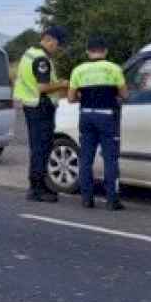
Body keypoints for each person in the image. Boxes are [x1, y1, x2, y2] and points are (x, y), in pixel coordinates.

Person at [68, 36, 129, 210]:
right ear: (105, 51)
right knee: (110, 159)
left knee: (86, 159)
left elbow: (71, 97)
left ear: (88, 51)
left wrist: (84, 96)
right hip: (107, 117)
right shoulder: (113, 69)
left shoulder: (78, 70)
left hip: (86, 116)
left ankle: (87, 199)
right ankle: (112, 200)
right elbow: (125, 95)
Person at [14, 26, 70, 202]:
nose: (58, 49)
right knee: (41, 148)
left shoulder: (30, 53)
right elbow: (43, 87)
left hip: (32, 106)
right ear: (49, 39)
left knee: (38, 147)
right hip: (40, 107)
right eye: (58, 45)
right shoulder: (41, 59)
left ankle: (38, 185)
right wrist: (63, 84)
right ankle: (37, 188)